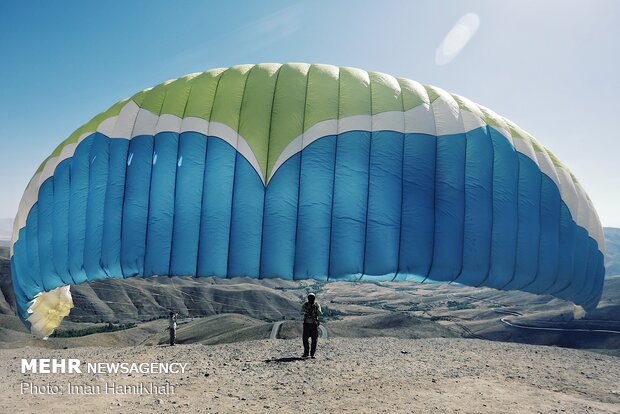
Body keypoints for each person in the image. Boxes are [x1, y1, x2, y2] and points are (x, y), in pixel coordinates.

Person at [300, 293, 322, 358]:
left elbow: (320, 313)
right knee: (305, 339)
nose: (311, 299)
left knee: (314, 340)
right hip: (307, 324)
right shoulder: (305, 305)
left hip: (314, 324)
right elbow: (301, 312)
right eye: (310, 298)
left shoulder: (316, 305)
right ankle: (306, 353)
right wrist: (306, 312)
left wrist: (315, 310)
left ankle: (312, 354)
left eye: (312, 298)